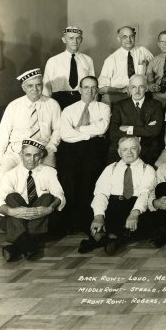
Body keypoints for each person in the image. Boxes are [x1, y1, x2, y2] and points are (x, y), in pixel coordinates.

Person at [83, 136, 157, 255]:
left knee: (148, 221)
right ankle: (112, 239)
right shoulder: (110, 168)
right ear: (119, 152)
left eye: (133, 148)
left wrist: (134, 213)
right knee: (86, 211)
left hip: (133, 205)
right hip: (113, 205)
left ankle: (102, 238)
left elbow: (145, 194)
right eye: (125, 149)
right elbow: (101, 193)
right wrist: (99, 216)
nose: (129, 152)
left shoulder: (148, 169)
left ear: (139, 149)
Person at [0, 139, 64, 262]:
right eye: (28, 155)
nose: (32, 159)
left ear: (41, 156)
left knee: (47, 197)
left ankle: (18, 246)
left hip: (40, 217)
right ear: (21, 155)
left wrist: (49, 208)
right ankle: (31, 244)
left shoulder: (50, 172)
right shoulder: (10, 175)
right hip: (16, 218)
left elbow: (59, 195)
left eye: (36, 155)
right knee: (11, 197)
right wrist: (11, 211)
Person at [57, 76, 110, 234]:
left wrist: (78, 129)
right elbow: (65, 134)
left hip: (95, 147)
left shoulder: (103, 108)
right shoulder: (69, 109)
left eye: (94, 87)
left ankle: (86, 219)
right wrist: (88, 133)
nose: (90, 91)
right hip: (71, 148)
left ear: (97, 89)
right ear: (79, 89)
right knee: (69, 177)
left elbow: (102, 129)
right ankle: (70, 221)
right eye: (86, 87)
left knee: (89, 177)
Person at [0, 69, 61, 179]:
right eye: (30, 86)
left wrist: (50, 148)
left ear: (42, 85)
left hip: (42, 152)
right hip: (16, 152)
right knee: (0, 179)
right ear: (23, 88)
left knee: (48, 181)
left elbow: (58, 129)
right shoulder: (13, 106)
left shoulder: (52, 105)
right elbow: (2, 134)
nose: (35, 89)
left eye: (38, 85)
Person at [107, 74, 165, 165]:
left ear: (146, 88)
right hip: (123, 149)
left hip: (147, 149)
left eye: (141, 87)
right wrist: (145, 128)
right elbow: (113, 133)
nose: (137, 91)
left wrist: (129, 128)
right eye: (133, 87)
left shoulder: (156, 105)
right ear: (129, 89)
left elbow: (155, 131)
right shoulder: (119, 105)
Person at [43, 26, 95, 109]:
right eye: (71, 38)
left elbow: (93, 85)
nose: (75, 41)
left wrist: (93, 105)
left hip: (81, 100)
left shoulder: (88, 60)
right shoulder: (53, 61)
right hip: (59, 100)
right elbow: (46, 88)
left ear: (81, 40)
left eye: (78, 38)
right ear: (64, 39)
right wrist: (47, 107)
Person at [99, 26, 154, 104]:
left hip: (141, 95)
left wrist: (150, 83)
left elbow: (155, 68)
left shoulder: (143, 51)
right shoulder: (111, 59)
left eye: (131, 36)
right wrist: (121, 90)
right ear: (119, 39)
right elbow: (101, 88)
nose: (129, 40)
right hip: (120, 97)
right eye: (125, 37)